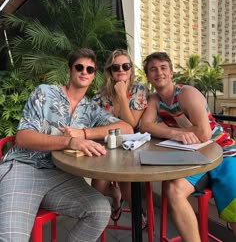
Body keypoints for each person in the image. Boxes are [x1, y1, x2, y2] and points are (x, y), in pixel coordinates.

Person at [0, 48, 133, 242]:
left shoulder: (89, 109)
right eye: (79, 67)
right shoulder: (44, 92)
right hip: (24, 168)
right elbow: (23, 137)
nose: (84, 72)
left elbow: (127, 128)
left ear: (93, 75)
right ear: (70, 70)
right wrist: (70, 141)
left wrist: (84, 133)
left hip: (61, 175)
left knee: (99, 210)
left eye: (89, 69)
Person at [140, 51, 236, 241]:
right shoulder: (154, 100)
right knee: (174, 190)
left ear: (172, 72)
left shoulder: (186, 93)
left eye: (163, 67)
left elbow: (203, 134)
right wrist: (175, 133)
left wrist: (165, 129)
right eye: (153, 69)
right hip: (192, 158)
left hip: (223, 153)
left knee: (234, 203)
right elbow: (146, 126)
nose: (159, 72)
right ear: (148, 76)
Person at [92, 49, 148, 221]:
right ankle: (114, 196)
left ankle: (138, 215)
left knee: (127, 186)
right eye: (116, 67)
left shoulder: (138, 90)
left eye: (126, 66)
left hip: (132, 148)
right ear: (110, 71)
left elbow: (131, 124)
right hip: (108, 146)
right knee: (97, 186)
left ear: (131, 69)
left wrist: (123, 95)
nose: (121, 70)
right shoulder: (101, 96)